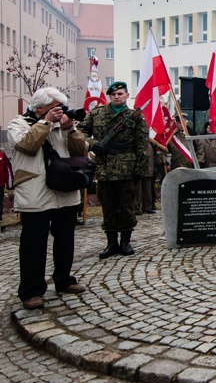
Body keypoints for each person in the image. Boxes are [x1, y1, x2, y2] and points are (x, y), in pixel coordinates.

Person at [9, 87, 89, 309]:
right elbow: (26, 145)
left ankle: (63, 279)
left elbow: (81, 151)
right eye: (55, 107)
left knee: (65, 240)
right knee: (34, 244)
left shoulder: (61, 126)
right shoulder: (18, 124)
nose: (59, 112)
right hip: (36, 192)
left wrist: (70, 129)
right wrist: (45, 123)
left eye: (60, 107)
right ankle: (31, 291)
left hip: (63, 192)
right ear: (40, 107)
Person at [78, 81, 149, 259]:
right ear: (109, 96)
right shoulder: (97, 114)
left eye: (120, 94)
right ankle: (111, 243)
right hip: (105, 166)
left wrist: (140, 169)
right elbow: (79, 131)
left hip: (127, 168)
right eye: (114, 94)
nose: (117, 97)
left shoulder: (135, 117)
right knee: (108, 206)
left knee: (127, 206)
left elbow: (142, 145)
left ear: (127, 95)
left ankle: (125, 242)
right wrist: (93, 145)